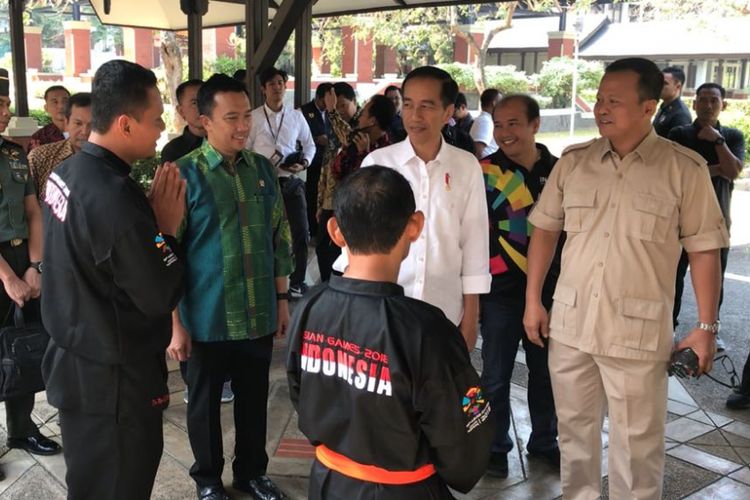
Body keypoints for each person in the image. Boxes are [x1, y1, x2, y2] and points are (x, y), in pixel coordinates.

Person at [524, 57, 728, 500]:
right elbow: (544, 229)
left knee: (636, 449)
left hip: (636, 330)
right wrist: (533, 300)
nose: (600, 108)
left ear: (648, 106)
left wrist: (706, 328)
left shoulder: (682, 169)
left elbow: (704, 250)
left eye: (613, 101)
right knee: (574, 440)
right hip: (572, 324)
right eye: (598, 99)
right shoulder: (575, 162)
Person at [287, 166, 493, 500]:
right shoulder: (426, 329)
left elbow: (300, 391)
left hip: (328, 483)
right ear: (415, 227)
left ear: (336, 232)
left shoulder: (311, 306)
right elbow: (464, 435)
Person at [41, 60, 186, 500]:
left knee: (88, 484)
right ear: (124, 123)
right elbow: (159, 293)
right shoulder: (114, 198)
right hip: (114, 385)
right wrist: (165, 233)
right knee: (118, 485)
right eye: (157, 117)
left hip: (77, 363)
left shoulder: (69, 172)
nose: (163, 127)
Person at [168, 73, 292, 500]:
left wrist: (281, 299)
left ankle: (251, 473)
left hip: (257, 309)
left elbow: (281, 238)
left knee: (254, 398)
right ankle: (207, 479)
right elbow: (164, 253)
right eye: (232, 117)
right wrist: (174, 323)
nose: (244, 126)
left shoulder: (262, 170)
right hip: (205, 316)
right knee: (203, 406)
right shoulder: (182, 175)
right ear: (205, 121)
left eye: (247, 116)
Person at [333, 66, 491, 350]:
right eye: (408, 105)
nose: (415, 116)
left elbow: (475, 243)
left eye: (427, 106)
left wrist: (470, 319)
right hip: (382, 315)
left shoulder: (466, 166)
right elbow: (357, 246)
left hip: (444, 314)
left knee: (447, 392)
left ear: (448, 112)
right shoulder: (378, 163)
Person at [479, 94, 560, 478]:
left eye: (514, 123)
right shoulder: (482, 172)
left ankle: (545, 441)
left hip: (551, 291)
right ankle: (493, 445)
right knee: (494, 373)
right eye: (498, 124)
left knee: (547, 372)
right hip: (499, 293)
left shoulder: (561, 171)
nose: (504, 133)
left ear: (535, 124)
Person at [0, 68, 61, 483]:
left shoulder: (14, 154)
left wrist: (35, 267)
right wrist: (8, 278)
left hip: (23, 260)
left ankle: (21, 429)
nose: (3, 111)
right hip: (2, 270)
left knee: (22, 348)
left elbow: (33, 211)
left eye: (4, 103)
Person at [162, 78, 234, 405]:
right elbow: (163, 243)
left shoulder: (245, 163)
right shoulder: (177, 160)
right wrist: (175, 321)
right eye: (192, 102)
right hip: (193, 288)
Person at [669, 83, 745, 351]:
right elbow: (675, 172)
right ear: (694, 104)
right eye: (703, 100)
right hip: (678, 217)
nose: (708, 105)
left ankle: (711, 327)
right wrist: (716, 169)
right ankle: (670, 325)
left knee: (715, 276)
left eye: (714, 100)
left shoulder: (732, 136)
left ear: (723, 104)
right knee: (671, 275)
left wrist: (717, 141)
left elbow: (734, 170)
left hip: (717, 217)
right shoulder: (679, 134)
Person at [247, 67, 314, 299]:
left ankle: (297, 282)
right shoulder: (253, 117)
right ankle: (268, 282)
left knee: (301, 233)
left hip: (290, 180)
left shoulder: (295, 116)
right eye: (272, 84)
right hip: (262, 184)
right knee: (265, 234)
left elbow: (310, 145)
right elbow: (245, 151)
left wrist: (303, 162)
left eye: (280, 83)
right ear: (263, 89)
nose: (277, 87)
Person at [317, 95, 395, 282]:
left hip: (366, 219)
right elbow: (336, 171)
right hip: (340, 208)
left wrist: (364, 156)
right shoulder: (354, 140)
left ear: (373, 120)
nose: (359, 118)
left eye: (363, 113)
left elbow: (375, 186)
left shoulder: (388, 150)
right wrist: (349, 150)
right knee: (326, 253)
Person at [28, 92, 92, 203]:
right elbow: (28, 206)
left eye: (93, 125)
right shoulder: (40, 157)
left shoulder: (111, 161)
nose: (85, 132)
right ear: (66, 123)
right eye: (78, 123)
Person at [300, 82, 333, 238]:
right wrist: (315, 139)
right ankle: (313, 232)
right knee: (312, 196)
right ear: (319, 98)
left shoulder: (332, 113)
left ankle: (323, 231)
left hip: (328, 162)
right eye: (326, 100)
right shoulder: (303, 111)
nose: (328, 105)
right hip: (311, 163)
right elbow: (298, 138)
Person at [161, 79, 205, 163]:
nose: (202, 107)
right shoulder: (172, 151)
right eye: (194, 103)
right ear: (181, 111)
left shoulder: (225, 143)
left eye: (205, 101)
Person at [27, 85, 70, 152]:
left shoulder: (83, 131)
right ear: (46, 108)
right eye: (55, 102)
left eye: (65, 101)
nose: (61, 106)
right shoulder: (40, 137)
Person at [653, 66, 692, 138]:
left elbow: (677, 146)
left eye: (664, 83)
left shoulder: (681, 114)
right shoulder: (664, 106)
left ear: (678, 86)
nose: (659, 86)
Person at [470, 88, 501, 159]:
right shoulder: (485, 121)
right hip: (486, 167)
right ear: (494, 103)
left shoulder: (486, 120)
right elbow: (478, 152)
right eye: (500, 102)